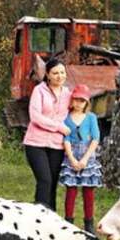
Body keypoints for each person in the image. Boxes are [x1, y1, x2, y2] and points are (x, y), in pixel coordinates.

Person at [23, 58, 72, 211]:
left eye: (62, 72)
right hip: (35, 143)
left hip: (57, 144)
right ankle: (39, 216)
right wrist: (58, 126)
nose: (60, 76)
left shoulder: (67, 93)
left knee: (52, 183)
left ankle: (51, 217)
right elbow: (35, 116)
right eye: (55, 73)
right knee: (44, 180)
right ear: (48, 75)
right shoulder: (39, 90)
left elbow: (76, 112)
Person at [59, 84, 103, 233]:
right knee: (71, 190)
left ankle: (89, 223)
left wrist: (85, 159)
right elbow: (66, 139)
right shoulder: (66, 117)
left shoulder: (91, 118)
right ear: (71, 100)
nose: (78, 104)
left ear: (87, 103)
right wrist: (71, 159)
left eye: (82, 101)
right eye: (76, 100)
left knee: (88, 191)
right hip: (71, 155)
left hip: (87, 156)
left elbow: (95, 138)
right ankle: (68, 221)